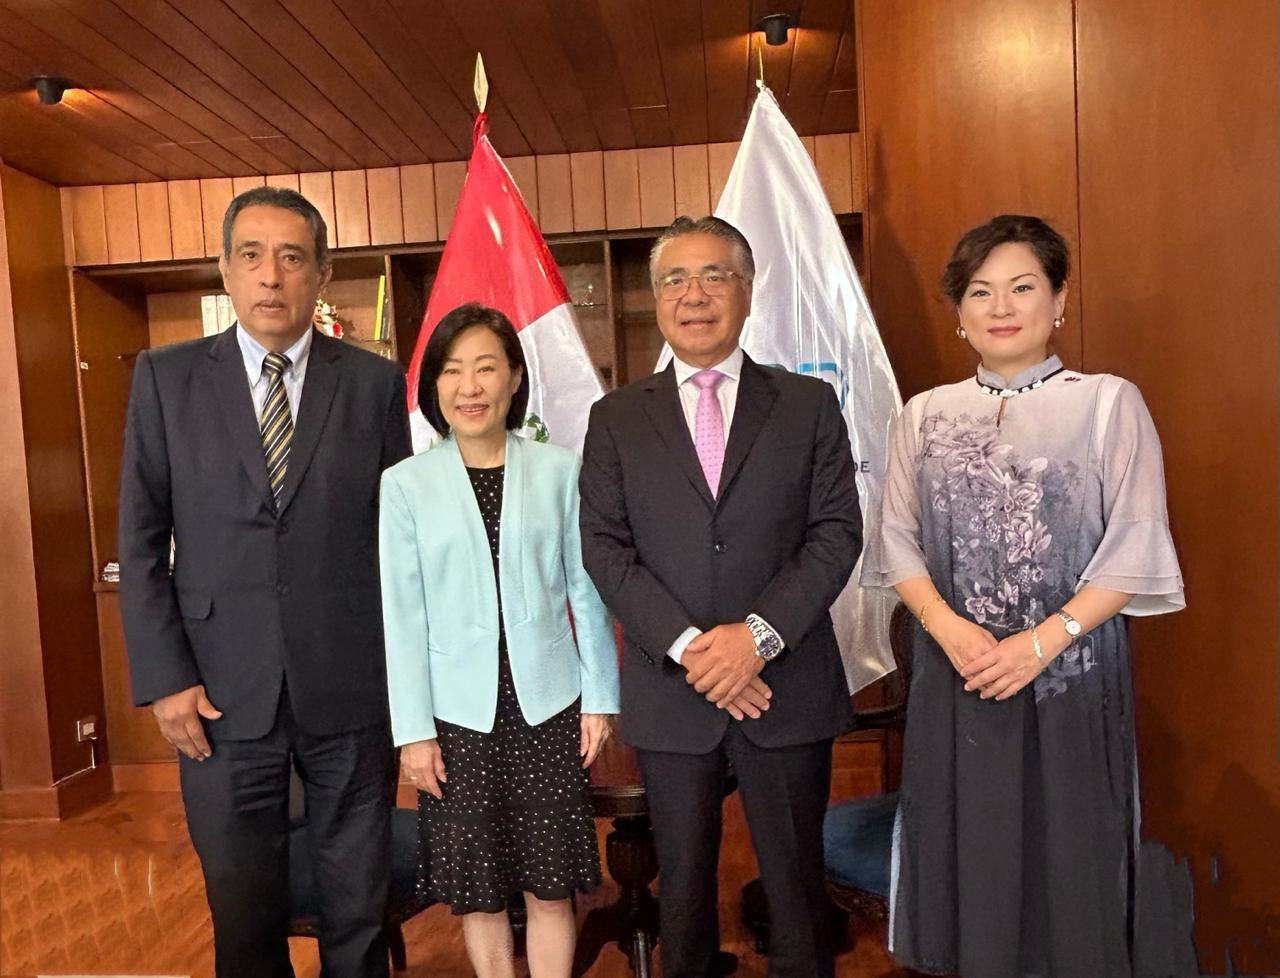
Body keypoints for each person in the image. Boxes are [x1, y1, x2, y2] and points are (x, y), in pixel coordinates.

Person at [861, 214, 1185, 976]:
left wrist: (1043, 643)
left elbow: (1135, 542)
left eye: (1022, 287)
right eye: (980, 291)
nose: (1001, 306)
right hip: (959, 672)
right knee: (965, 845)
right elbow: (896, 543)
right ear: (960, 311)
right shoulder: (923, 416)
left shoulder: (1108, 403)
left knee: (1072, 850)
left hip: (1069, 678)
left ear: (1059, 300)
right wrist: (945, 627)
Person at [118, 186, 412, 978]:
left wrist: (407, 681)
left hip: (351, 684)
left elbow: (401, 541)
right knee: (242, 911)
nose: (271, 276)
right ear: (225, 270)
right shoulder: (166, 378)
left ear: (320, 273)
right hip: (215, 691)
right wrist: (165, 678)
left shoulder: (375, 385)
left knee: (358, 905)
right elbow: (141, 541)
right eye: (251, 256)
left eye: (291, 257)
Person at [578, 215, 861, 978]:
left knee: (798, 887)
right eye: (674, 278)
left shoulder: (807, 405)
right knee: (683, 897)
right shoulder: (615, 420)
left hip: (784, 684)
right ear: (655, 296)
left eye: (714, 276)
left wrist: (757, 639)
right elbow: (605, 549)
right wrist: (693, 648)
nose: (693, 294)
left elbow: (836, 534)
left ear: (746, 291)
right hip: (674, 690)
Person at [379, 302, 618, 978]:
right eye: (453, 371)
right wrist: (412, 732)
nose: (470, 386)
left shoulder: (557, 471)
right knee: (479, 893)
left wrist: (600, 698)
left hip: (548, 706)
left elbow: (585, 591)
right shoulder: (405, 486)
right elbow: (402, 616)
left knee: (549, 884)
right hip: (455, 718)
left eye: (487, 367)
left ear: (515, 378)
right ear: (433, 387)